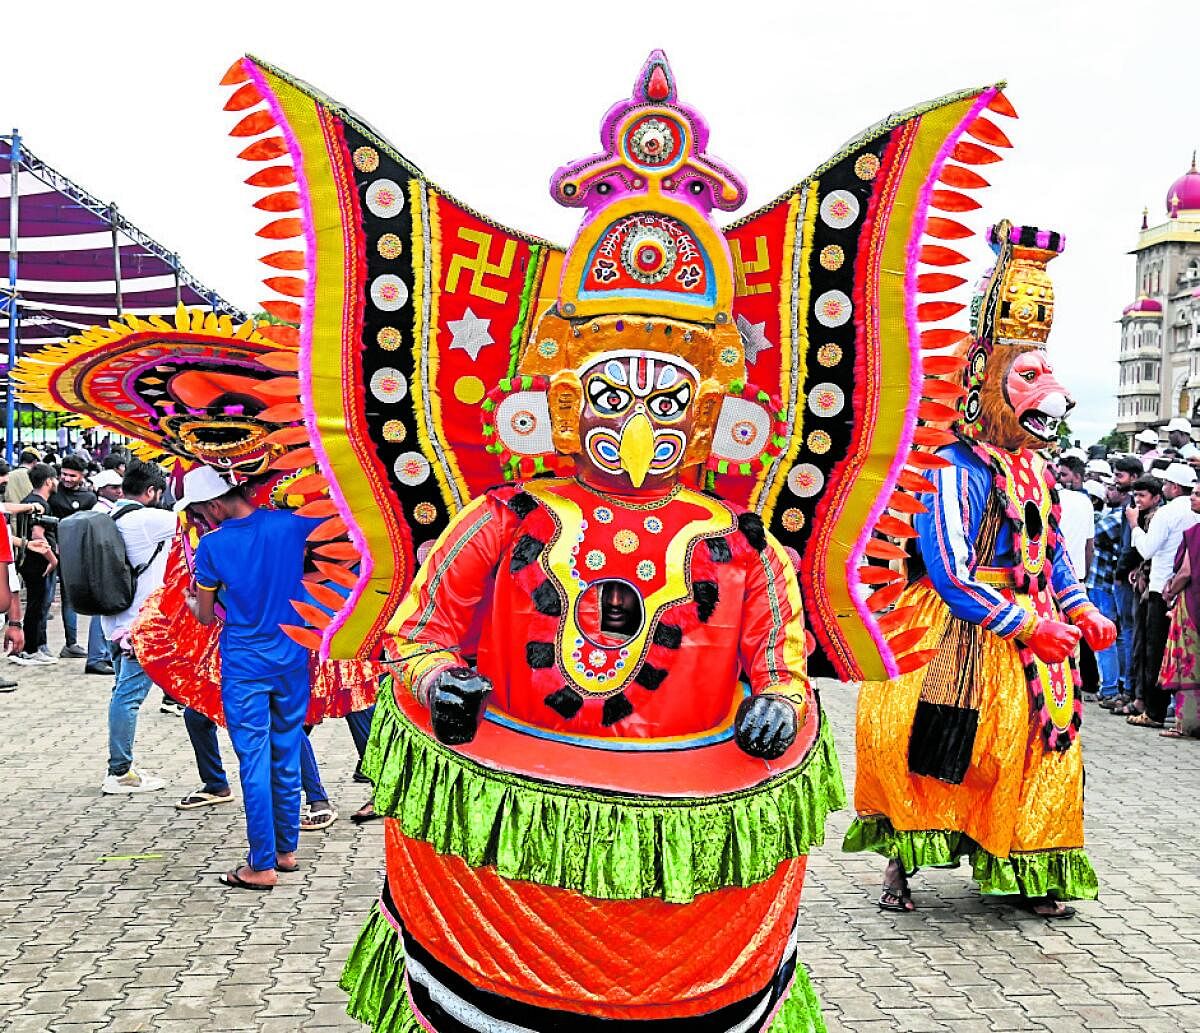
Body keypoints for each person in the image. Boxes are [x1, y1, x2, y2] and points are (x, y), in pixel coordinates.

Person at [845, 222, 1115, 919]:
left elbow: (1051, 550)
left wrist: (1080, 607)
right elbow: (949, 569)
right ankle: (900, 866)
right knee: (934, 748)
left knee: (1040, 752)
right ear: (986, 383)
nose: (1051, 393)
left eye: (1047, 374)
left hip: (1034, 641)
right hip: (961, 634)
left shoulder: (1036, 465)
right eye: (1029, 376)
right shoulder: (951, 466)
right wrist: (1026, 621)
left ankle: (1032, 870)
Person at [181, 466, 320, 890]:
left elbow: (205, 616)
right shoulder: (292, 524)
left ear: (217, 502)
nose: (202, 518)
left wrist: (191, 604)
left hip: (244, 663)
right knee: (287, 745)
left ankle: (261, 865)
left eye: (202, 509)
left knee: (254, 759)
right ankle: (286, 850)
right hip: (293, 654)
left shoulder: (212, 546)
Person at [99, 460, 176, 793]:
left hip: (112, 621)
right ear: (151, 492)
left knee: (122, 691)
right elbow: (197, 519)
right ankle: (119, 772)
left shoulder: (106, 516)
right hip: (139, 626)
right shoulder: (149, 519)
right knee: (127, 697)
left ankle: (122, 765)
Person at [1125, 463, 1200, 727]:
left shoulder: (1168, 513)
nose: (1164, 487)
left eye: (1166, 483)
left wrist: (1134, 525)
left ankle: (1154, 710)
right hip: (1182, 590)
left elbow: (1146, 549)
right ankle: (1171, 709)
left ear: (1174, 487)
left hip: (1162, 589)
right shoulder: (1193, 514)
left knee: (1155, 652)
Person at [1160, 483, 1200, 738]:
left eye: (1197, 494)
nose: (1192, 498)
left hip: (1193, 604)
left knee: (1189, 660)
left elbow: (1185, 572)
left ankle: (1186, 724)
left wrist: (1171, 591)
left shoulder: (1196, 532)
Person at [1087, 478, 1130, 703]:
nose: (1109, 492)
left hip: (1102, 583)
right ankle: (1118, 683)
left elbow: (1096, 534)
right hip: (1110, 583)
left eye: (1113, 489)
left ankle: (1110, 687)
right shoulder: (1119, 515)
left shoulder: (1116, 517)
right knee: (1118, 636)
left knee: (1104, 638)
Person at [11, 464, 59, 666]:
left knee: (36, 604)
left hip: (27, 560)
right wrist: (52, 559)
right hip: (38, 562)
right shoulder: (40, 504)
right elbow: (38, 536)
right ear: (49, 481)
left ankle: (35, 646)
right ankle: (32, 649)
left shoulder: (27, 501)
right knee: (37, 606)